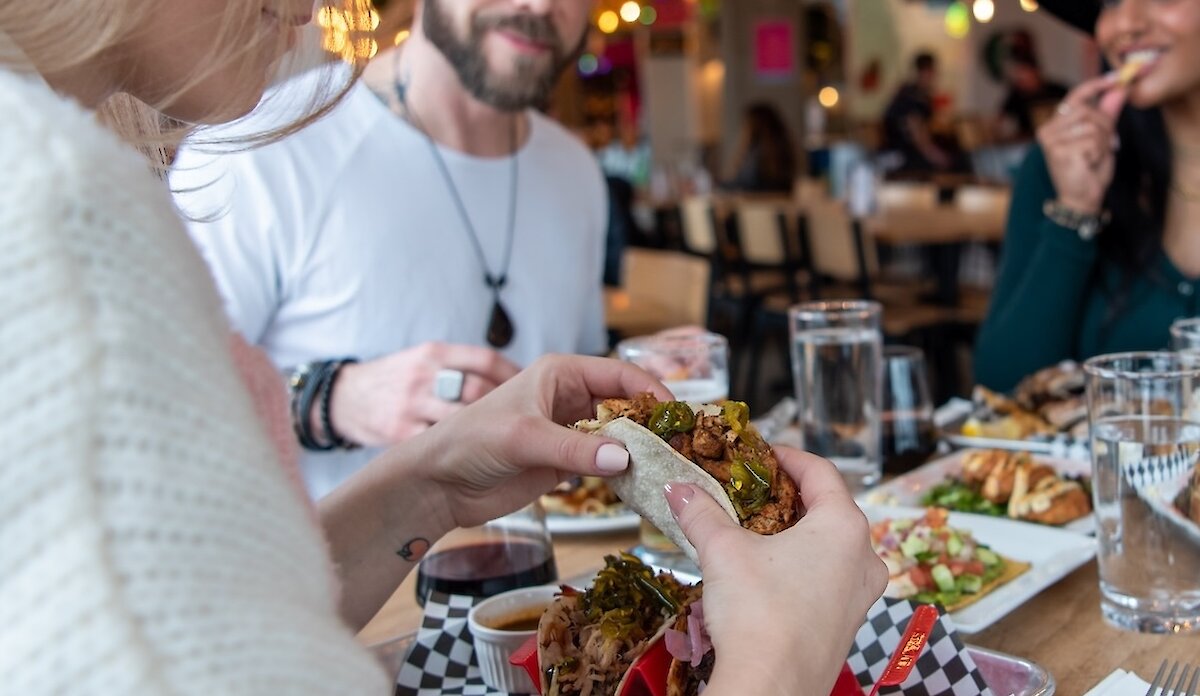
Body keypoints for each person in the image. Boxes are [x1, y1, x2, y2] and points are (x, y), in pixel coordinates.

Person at [0, 1, 888, 694]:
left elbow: (213, 617)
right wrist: (785, 660)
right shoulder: (55, 208)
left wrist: (430, 480)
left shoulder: (574, 174)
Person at [171, 0, 610, 499]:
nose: (541, 5)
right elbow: (163, 407)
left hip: (552, 569)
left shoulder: (576, 170)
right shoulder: (254, 150)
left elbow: (580, 386)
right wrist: (332, 400)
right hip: (330, 572)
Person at [975, 0, 1200, 391]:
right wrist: (1075, 210)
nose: (1125, 24)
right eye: (1110, 2)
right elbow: (1005, 385)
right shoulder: (1063, 166)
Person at [881, 52, 953, 175]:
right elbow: (917, 134)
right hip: (900, 157)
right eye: (932, 72)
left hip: (905, 153)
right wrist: (937, 157)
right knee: (954, 164)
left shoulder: (916, 94)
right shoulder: (911, 97)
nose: (934, 77)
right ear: (924, 72)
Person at [996, 50, 1069, 143]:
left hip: (1060, 138)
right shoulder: (1015, 95)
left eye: (1024, 75)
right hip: (1029, 143)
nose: (1022, 80)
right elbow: (1000, 119)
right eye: (1019, 77)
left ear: (1036, 72)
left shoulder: (1057, 90)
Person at [725, 102, 797, 193]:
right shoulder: (783, 147)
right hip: (776, 201)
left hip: (760, 202)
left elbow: (750, 184)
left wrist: (725, 186)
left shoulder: (757, 152)